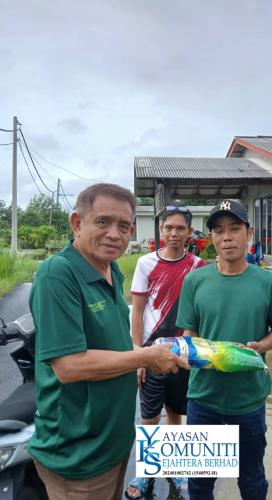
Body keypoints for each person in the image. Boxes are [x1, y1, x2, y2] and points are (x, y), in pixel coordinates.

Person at [28, 184, 187, 500]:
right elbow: (69, 366)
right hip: (79, 454)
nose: (115, 234)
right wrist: (145, 357)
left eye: (124, 226)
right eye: (103, 222)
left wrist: (147, 351)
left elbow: (115, 344)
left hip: (112, 443)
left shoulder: (110, 269)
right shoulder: (57, 275)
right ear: (77, 223)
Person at [176, 199, 272, 500]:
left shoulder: (268, 282)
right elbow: (188, 332)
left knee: (252, 480)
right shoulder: (195, 280)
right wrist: (188, 353)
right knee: (200, 482)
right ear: (211, 237)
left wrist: (261, 346)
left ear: (248, 233)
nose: (227, 237)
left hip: (249, 398)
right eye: (218, 230)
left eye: (235, 229)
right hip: (204, 397)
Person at [125, 205, 206, 499]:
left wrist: (189, 351)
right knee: (149, 417)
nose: (173, 233)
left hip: (182, 355)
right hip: (150, 352)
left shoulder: (199, 266)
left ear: (189, 231)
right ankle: (146, 472)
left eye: (180, 228)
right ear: (161, 231)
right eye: (168, 228)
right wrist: (137, 354)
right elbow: (137, 311)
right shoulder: (146, 263)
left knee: (175, 413)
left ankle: (176, 465)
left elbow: (198, 312)